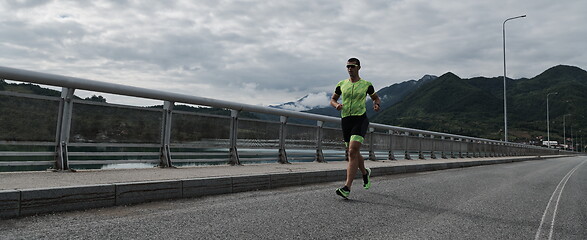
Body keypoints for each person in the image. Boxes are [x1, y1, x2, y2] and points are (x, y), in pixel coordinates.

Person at [330, 57, 381, 199]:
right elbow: (332, 99)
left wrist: (376, 104)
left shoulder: (366, 85)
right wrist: (336, 106)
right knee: (353, 152)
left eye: (352, 66)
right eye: (348, 66)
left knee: (352, 151)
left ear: (359, 67)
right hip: (346, 119)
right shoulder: (341, 84)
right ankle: (365, 173)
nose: (350, 69)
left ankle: (347, 187)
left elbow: (376, 98)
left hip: (360, 118)